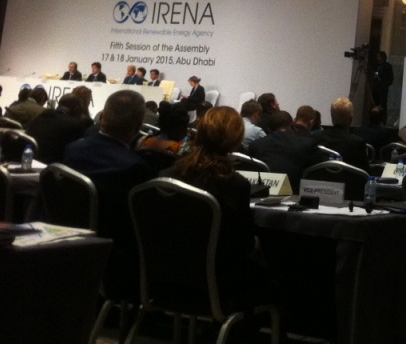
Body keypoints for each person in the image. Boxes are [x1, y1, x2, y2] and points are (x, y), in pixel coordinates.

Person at [160, 106, 276, 335]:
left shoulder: (166, 176)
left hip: (165, 280)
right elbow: (243, 244)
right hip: (218, 285)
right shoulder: (236, 185)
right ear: (236, 140)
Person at [63, 90, 156, 299]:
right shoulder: (135, 167)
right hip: (115, 264)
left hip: (66, 251)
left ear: (103, 116)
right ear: (138, 126)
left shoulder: (72, 150)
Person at [249, 111, 327, 191]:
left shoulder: (256, 145)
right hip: (296, 192)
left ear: (269, 129)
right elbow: (323, 169)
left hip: (264, 193)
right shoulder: (308, 144)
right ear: (293, 126)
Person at [27, 93, 91, 163]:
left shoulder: (43, 115)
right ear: (76, 108)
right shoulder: (76, 125)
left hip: (29, 159)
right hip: (53, 166)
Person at [314, 97, 370, 172]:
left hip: (320, 179)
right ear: (350, 119)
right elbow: (365, 172)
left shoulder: (316, 138)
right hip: (348, 179)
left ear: (332, 117)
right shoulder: (357, 143)